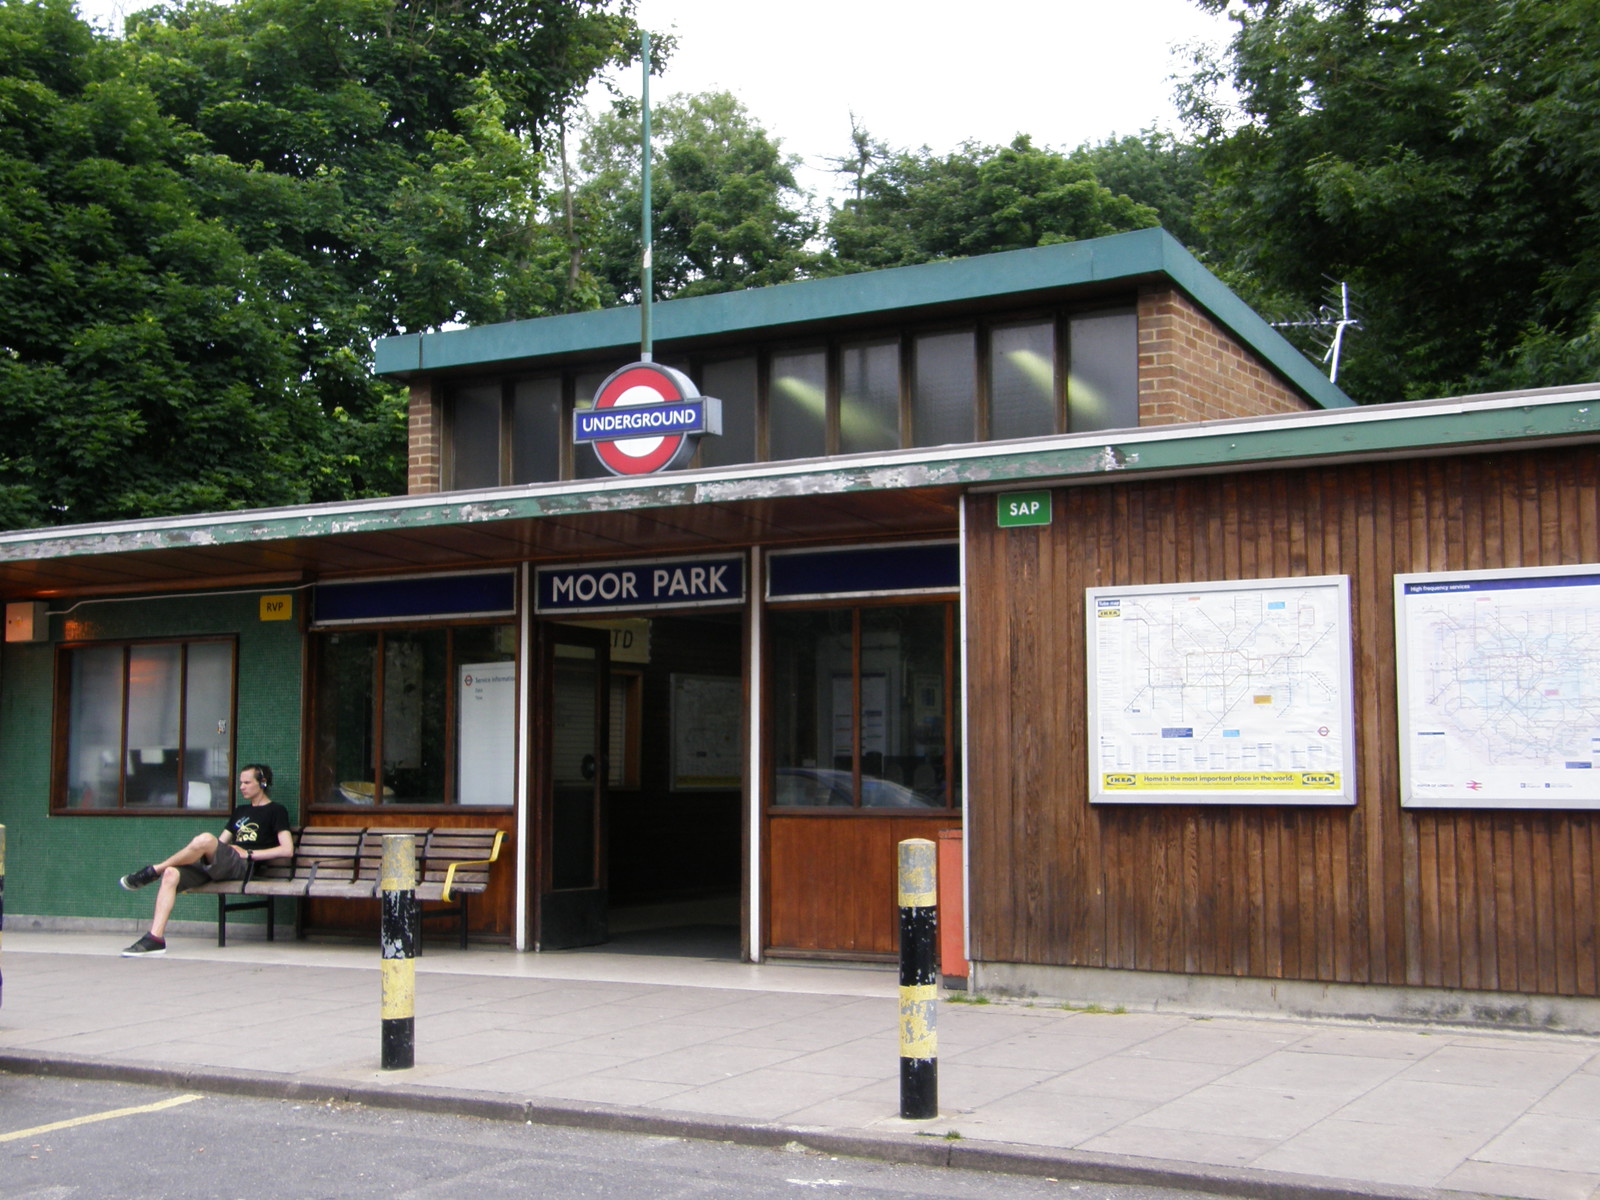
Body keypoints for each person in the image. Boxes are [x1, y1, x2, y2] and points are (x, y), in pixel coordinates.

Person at [117, 763, 294, 957]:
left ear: (263, 783)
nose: (241, 786)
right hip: (223, 863)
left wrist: (249, 854)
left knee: (205, 840)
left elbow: (287, 850)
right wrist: (212, 851)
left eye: (247, 782)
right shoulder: (240, 811)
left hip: (244, 866)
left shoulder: (276, 810)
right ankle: (155, 938)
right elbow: (220, 843)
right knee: (171, 874)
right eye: (240, 782)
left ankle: (154, 870)